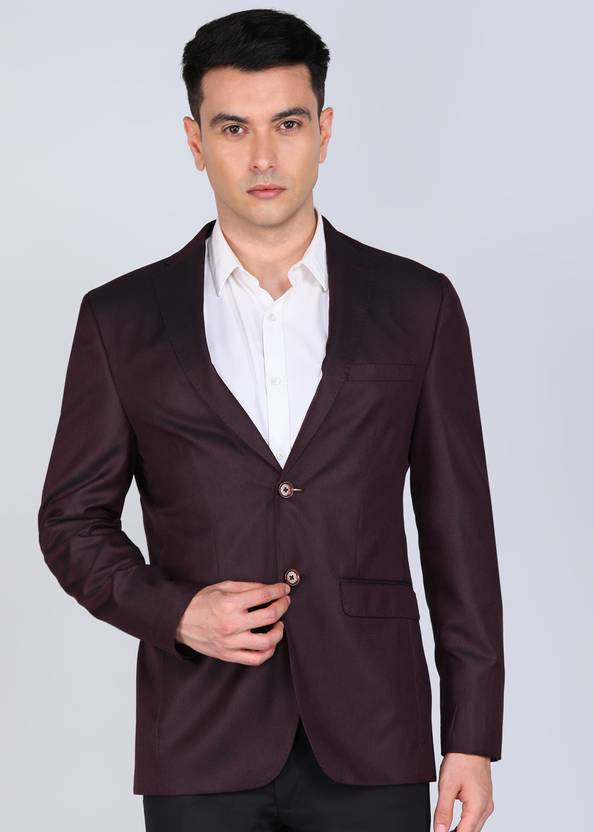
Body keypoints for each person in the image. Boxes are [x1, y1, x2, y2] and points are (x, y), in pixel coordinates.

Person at [38, 9, 504, 832]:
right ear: (195, 141)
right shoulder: (121, 318)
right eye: (233, 128)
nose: (262, 157)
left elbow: (457, 529)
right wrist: (175, 612)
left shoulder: (417, 305)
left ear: (324, 130)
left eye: (287, 124)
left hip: (375, 729)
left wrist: (471, 734)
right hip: (199, 736)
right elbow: (71, 521)